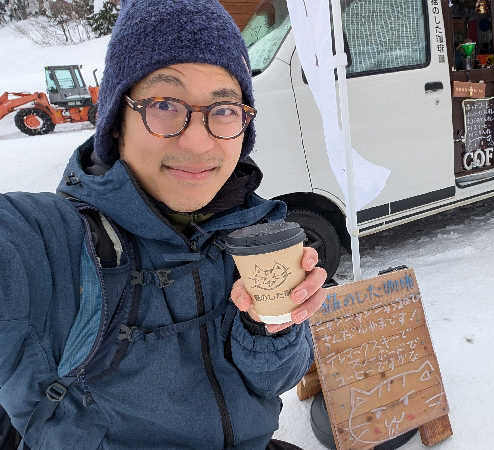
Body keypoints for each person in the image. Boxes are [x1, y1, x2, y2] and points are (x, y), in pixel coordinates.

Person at [0, 0, 326, 448]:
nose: (197, 141)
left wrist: (271, 325)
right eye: (166, 104)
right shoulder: (50, 243)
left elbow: (275, 381)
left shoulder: (249, 231)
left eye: (225, 109)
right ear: (116, 122)